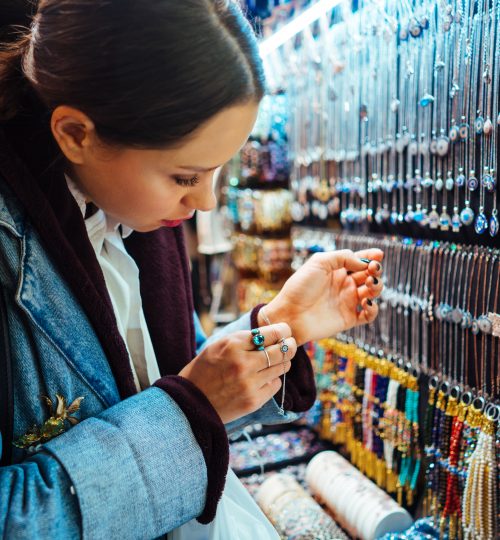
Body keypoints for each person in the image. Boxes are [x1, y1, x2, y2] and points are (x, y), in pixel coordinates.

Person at [0, 1, 384, 538]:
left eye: (217, 170)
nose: (205, 202)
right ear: (75, 134)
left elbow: (167, 381)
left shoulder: (137, 225)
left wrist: (280, 326)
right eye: (185, 176)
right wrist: (189, 412)